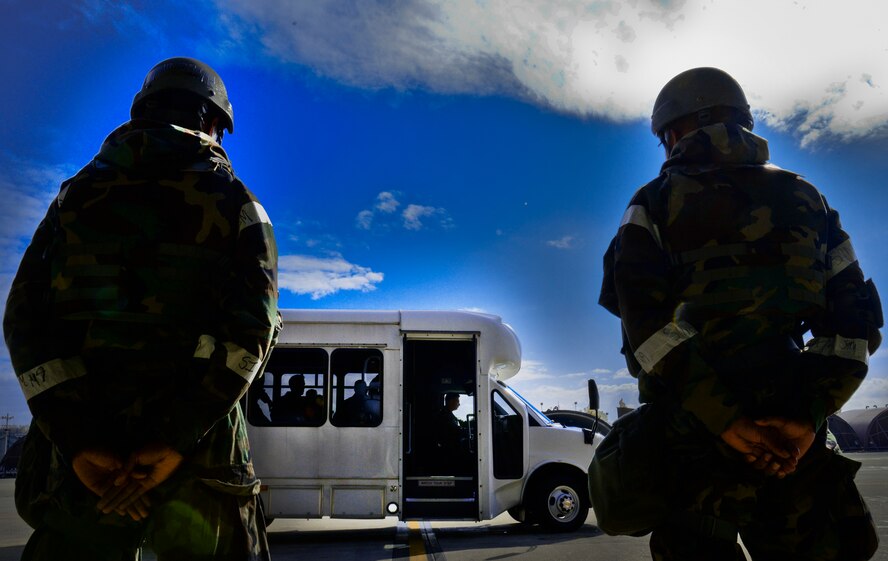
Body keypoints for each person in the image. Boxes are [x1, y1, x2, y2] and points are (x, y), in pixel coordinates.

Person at [598, 67, 882, 560]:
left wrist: (724, 420)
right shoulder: (808, 199)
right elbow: (855, 327)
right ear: (743, 121)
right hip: (788, 446)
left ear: (674, 131)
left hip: (693, 449)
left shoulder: (652, 204)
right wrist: (807, 416)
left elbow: (646, 333)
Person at [4, 57, 278, 561]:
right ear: (213, 122)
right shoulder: (236, 204)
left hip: (85, 475)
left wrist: (81, 442)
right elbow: (250, 335)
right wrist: (174, 438)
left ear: (141, 113)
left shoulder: (73, 201)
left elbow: (24, 322)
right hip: (201, 472)